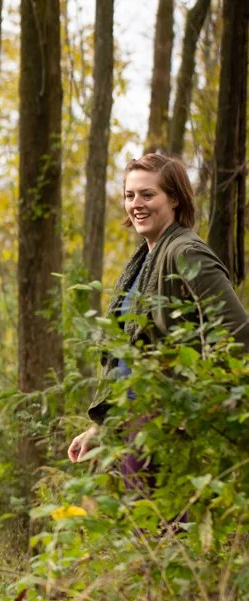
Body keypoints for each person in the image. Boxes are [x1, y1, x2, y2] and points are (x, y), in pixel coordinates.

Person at [67, 152, 249, 473]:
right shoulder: (141, 263)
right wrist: (101, 428)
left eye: (148, 194)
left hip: (164, 422)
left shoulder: (186, 253)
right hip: (131, 420)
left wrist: (196, 408)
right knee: (142, 521)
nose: (137, 203)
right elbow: (126, 358)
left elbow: (237, 332)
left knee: (165, 522)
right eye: (130, 195)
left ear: (175, 199)